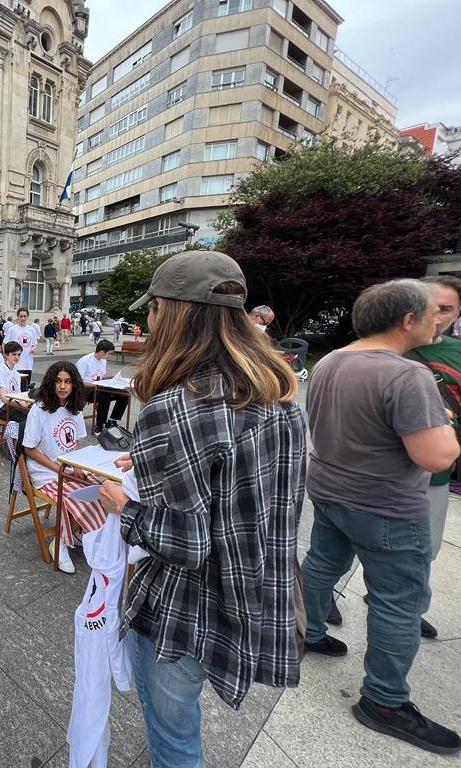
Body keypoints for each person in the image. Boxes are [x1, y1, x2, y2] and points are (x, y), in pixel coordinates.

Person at [96, 250, 307, 766]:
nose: (145, 321)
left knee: (175, 745)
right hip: (253, 594)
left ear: (173, 314)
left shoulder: (177, 405)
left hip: (185, 610)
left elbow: (184, 543)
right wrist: (155, 461)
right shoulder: (278, 395)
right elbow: (246, 494)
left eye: (152, 309)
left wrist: (123, 504)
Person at [300, 278, 460, 756]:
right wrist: (450, 431)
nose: (440, 321)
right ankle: (385, 701)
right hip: (386, 503)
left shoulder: (330, 361)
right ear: (407, 320)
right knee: (397, 602)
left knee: (321, 565)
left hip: (329, 488)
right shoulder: (406, 376)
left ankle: (306, 632)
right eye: (433, 313)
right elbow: (435, 456)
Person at [408, 275, 461, 638]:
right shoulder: (383, 348)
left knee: (426, 547)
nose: (437, 316)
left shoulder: (456, 352)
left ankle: (411, 609)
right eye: (430, 307)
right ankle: (320, 604)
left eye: (447, 309)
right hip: (377, 473)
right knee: (341, 546)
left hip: (437, 474)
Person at [22, 360, 107, 574]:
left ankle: (77, 531)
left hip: (68, 466)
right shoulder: (39, 410)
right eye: (58, 381)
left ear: (74, 385)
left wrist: (76, 466)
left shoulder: (75, 410)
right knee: (73, 496)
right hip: (44, 471)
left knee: (103, 488)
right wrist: (57, 468)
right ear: (51, 383)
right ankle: (59, 543)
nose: (62, 386)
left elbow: (76, 443)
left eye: (67, 382)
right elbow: (29, 449)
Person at [77, 339, 129, 434]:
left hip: (99, 386)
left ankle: (112, 420)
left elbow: (100, 376)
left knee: (124, 394)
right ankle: (99, 424)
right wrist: (96, 384)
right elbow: (78, 382)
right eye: (109, 354)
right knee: (104, 396)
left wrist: (112, 377)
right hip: (85, 389)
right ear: (102, 352)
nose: (109, 356)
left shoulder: (103, 360)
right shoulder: (84, 361)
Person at [4, 307, 40, 385]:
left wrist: (34, 349)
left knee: (26, 387)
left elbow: (34, 345)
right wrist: (7, 357)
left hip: (28, 363)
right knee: (15, 386)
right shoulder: (12, 329)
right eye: (21, 316)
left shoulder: (31, 330)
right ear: (18, 316)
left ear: (27, 316)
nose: (23, 318)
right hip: (15, 364)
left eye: (24, 316)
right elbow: (5, 344)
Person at [0, 341, 26, 420]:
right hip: (2, 407)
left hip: (13, 404)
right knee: (26, 420)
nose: (17, 357)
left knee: (36, 415)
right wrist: (22, 407)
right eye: (14, 354)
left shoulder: (16, 373)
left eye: (19, 354)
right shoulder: (0, 370)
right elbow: (3, 397)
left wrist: (25, 405)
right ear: (6, 355)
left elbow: (18, 395)